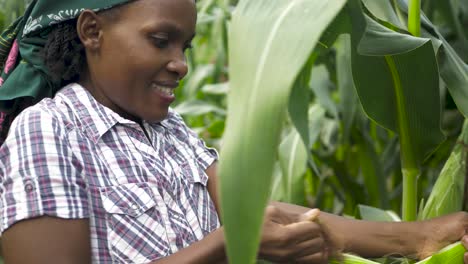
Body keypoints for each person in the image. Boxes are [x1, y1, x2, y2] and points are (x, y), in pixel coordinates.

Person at [0, 0, 467, 263]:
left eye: (185, 45)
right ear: (91, 31)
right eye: (161, 41)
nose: (181, 64)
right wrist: (228, 241)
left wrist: (421, 237)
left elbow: (259, 215)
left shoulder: (172, 133)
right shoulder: (48, 131)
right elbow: (241, 230)